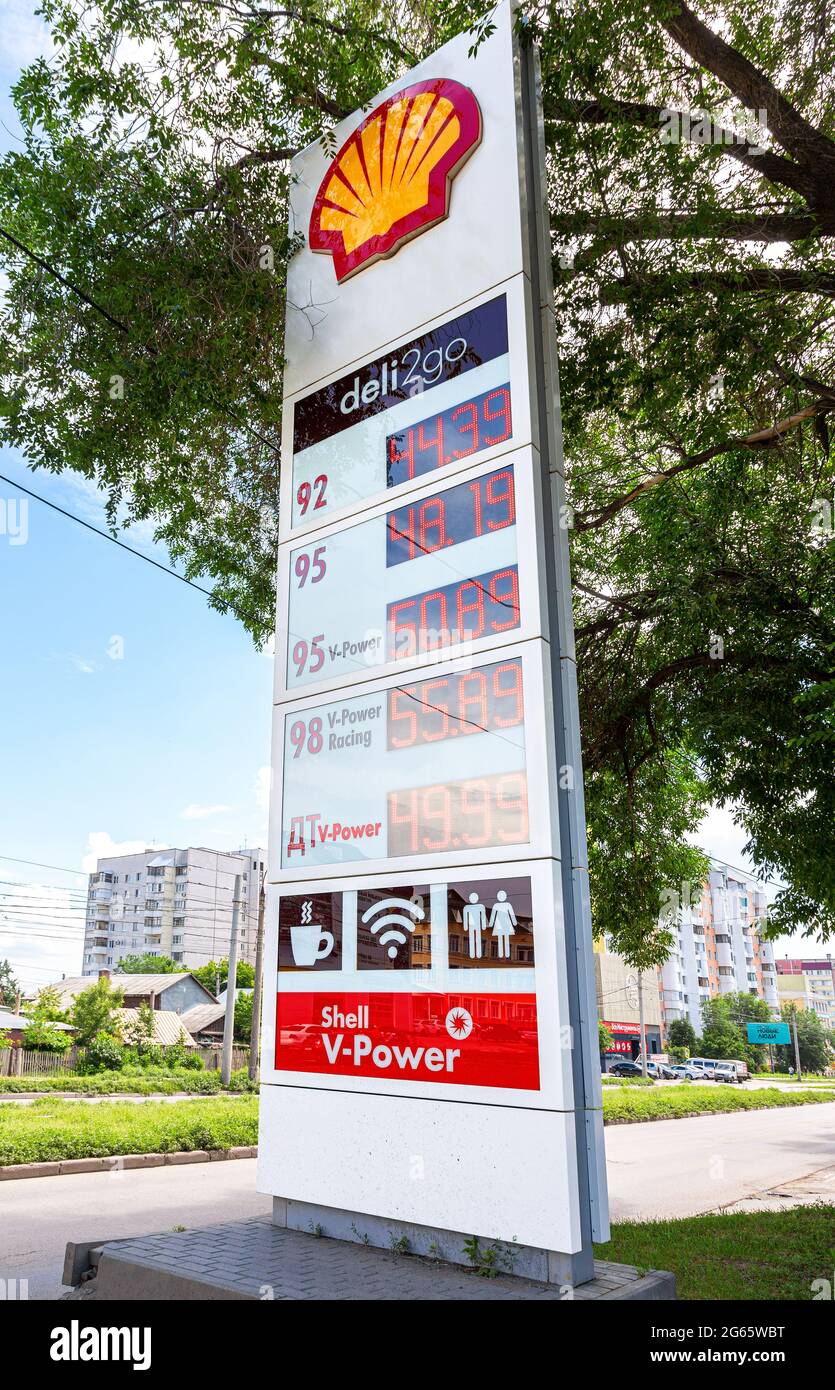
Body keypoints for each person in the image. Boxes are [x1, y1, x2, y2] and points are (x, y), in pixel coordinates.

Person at [489, 890, 517, 959]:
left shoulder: (505, 905)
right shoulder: (498, 905)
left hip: (503, 924)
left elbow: (511, 914)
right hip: (501, 924)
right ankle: (502, 954)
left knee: (504, 938)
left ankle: (505, 954)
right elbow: (493, 915)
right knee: (502, 938)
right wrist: (514, 922)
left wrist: (514, 922)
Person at [462, 891, 486, 959]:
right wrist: (466, 926)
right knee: (472, 939)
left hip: (477, 925)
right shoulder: (467, 907)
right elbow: (465, 917)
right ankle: (472, 953)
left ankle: (478, 953)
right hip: (471, 925)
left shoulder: (480, 907)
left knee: (478, 939)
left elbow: (483, 917)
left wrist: (484, 925)